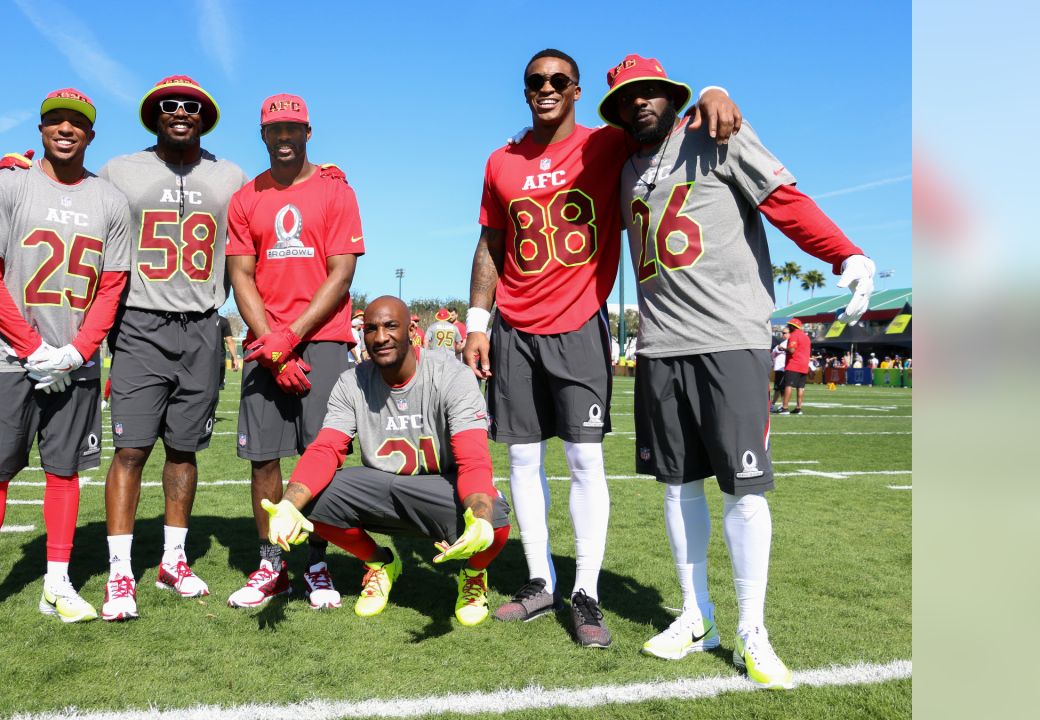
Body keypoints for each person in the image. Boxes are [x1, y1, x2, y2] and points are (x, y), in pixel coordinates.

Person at [607, 54, 875, 688]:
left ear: (671, 96)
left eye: (650, 93)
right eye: (627, 97)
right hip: (660, 346)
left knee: (743, 488)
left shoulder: (715, 134)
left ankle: (753, 627)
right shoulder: (622, 166)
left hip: (730, 339)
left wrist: (845, 253)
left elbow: (784, 201)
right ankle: (697, 616)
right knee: (676, 486)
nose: (639, 104)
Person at [463, 48, 742, 648]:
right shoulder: (500, 160)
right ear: (524, 89)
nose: (546, 88)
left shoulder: (606, 144)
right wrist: (477, 322)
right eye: (535, 80)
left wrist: (711, 87)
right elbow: (491, 243)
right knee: (521, 462)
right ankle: (541, 581)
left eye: (558, 80)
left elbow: (669, 124)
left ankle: (585, 589)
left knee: (586, 462)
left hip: (579, 323)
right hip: (513, 326)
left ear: (577, 89)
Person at [0, 88, 131, 640]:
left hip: (75, 364)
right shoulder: (7, 182)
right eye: (56, 121)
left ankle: (57, 583)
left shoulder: (110, 201)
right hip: (8, 361)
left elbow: (112, 286)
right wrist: (30, 345)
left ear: (91, 134)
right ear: (41, 129)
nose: (66, 130)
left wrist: (77, 350)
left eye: (78, 124)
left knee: (64, 473)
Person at [83, 75, 248, 621]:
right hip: (140, 322)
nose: (181, 112)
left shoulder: (230, 175)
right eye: (170, 105)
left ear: (206, 116)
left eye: (193, 106)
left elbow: (270, 207)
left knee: (185, 450)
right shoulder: (119, 170)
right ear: (154, 113)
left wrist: (325, 175)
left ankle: (173, 560)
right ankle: (121, 572)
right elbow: (78, 199)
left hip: (203, 324)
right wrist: (22, 174)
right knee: (131, 450)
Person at [260, 296, 512, 625]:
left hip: (439, 487)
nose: (380, 337)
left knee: (495, 521)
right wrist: (290, 503)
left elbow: (473, 460)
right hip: (382, 486)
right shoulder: (352, 382)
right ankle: (381, 563)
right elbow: (326, 448)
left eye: (391, 326)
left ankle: (474, 575)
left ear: (411, 331)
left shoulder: (451, 376)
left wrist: (479, 515)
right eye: (371, 329)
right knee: (311, 497)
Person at [225, 93, 364, 609]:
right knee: (263, 457)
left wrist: (293, 336)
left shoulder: (336, 191)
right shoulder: (246, 198)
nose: (283, 138)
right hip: (267, 345)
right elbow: (240, 275)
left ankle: (317, 563)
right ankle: (272, 564)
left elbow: (342, 272)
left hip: (324, 339)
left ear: (309, 132)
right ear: (263, 135)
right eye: (274, 130)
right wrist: (276, 348)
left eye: (293, 129)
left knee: (319, 456)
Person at [775, 319, 811, 415]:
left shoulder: (794, 335)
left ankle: (785, 408)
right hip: (804, 365)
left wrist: (782, 348)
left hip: (794, 364)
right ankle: (798, 408)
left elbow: (791, 350)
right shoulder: (806, 337)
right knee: (800, 387)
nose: (788, 327)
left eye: (789, 325)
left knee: (788, 385)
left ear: (792, 326)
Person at [769, 330, 788, 411]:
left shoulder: (787, 342)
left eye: (784, 333)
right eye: (782, 333)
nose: (782, 334)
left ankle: (773, 405)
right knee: (780, 388)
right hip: (780, 367)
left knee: (779, 388)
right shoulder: (783, 343)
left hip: (783, 367)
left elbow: (774, 353)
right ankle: (782, 404)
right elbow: (774, 353)